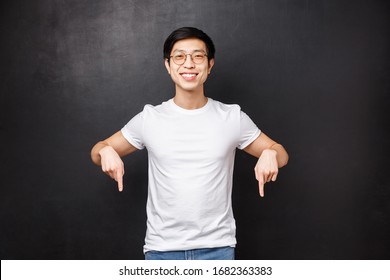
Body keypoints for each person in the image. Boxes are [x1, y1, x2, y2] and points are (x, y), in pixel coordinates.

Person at [91, 27, 288, 260]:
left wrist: (270, 153)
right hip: (161, 251)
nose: (189, 64)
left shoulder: (231, 117)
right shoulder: (150, 118)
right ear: (168, 65)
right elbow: (98, 150)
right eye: (179, 56)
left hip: (218, 249)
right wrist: (105, 150)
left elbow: (281, 153)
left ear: (210, 64)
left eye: (198, 56)